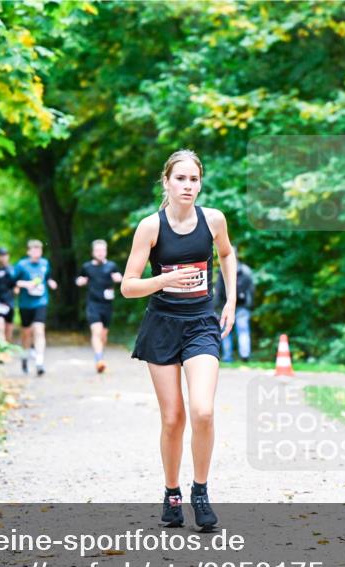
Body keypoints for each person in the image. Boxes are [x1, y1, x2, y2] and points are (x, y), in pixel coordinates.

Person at [121, 149, 236, 531]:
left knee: (202, 410)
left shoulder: (214, 220)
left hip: (202, 322)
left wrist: (231, 299)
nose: (188, 186)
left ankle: (199, 491)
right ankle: (171, 493)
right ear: (166, 182)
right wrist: (164, 281)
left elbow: (226, 254)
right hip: (163, 325)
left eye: (194, 179)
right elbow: (128, 286)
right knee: (173, 418)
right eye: (181, 179)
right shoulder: (150, 227)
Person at [76, 239, 123, 373]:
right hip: (93, 304)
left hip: (107, 305)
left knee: (103, 335)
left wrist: (118, 278)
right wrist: (80, 281)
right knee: (96, 331)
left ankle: (100, 356)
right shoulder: (87, 267)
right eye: (98, 250)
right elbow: (79, 279)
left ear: (106, 251)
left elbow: (120, 277)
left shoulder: (111, 266)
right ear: (93, 252)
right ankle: (99, 359)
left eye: (103, 250)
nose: (101, 253)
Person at [15, 240, 57, 376]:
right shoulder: (21, 265)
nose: (37, 252)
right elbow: (14, 282)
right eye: (34, 249)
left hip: (41, 302)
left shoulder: (45, 263)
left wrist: (51, 283)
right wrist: (26, 284)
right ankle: (25, 357)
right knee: (26, 333)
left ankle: (39, 362)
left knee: (39, 330)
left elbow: (48, 277)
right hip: (25, 304)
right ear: (28, 251)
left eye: (39, 249)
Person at [214, 246, 254, 363]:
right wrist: (249, 305)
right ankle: (244, 356)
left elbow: (219, 290)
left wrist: (217, 306)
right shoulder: (246, 270)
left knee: (227, 331)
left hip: (228, 306)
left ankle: (227, 357)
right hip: (241, 306)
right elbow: (251, 290)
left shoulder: (223, 270)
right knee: (243, 330)